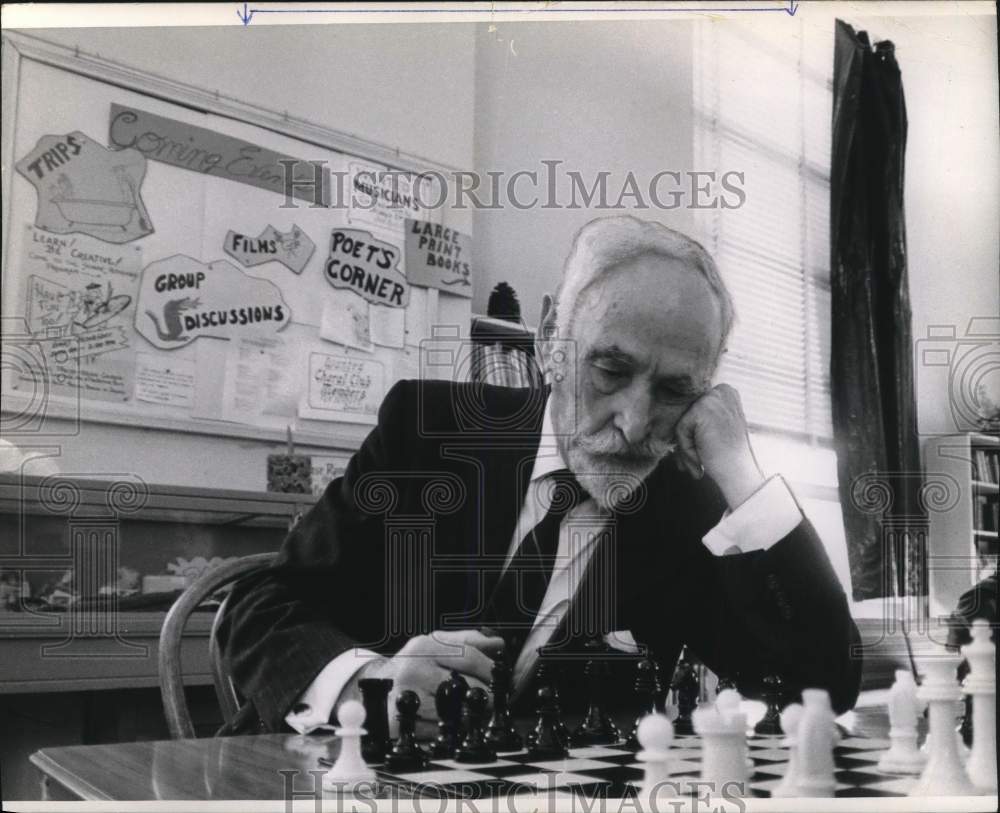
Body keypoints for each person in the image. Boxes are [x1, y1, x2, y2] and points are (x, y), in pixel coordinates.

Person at [218, 216, 862, 736]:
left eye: (673, 390)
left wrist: (742, 476)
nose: (635, 423)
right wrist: (369, 681)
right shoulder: (428, 430)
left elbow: (825, 683)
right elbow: (259, 608)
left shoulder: (689, 508)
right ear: (552, 336)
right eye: (610, 370)